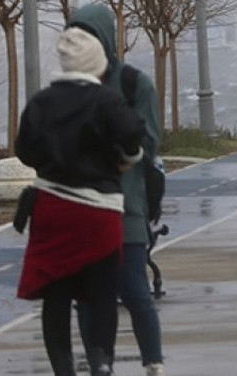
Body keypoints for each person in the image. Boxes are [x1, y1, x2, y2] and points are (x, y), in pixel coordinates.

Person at [16, 27, 146, 376]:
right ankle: (102, 362)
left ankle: (63, 367)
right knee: (102, 291)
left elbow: (24, 150)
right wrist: (127, 157)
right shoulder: (106, 99)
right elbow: (133, 133)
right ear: (97, 64)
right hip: (98, 211)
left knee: (55, 294)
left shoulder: (41, 101)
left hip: (52, 208)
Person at [70, 3, 168, 376]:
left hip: (125, 206)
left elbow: (151, 141)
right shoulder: (70, 87)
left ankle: (153, 362)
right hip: (81, 210)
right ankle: (99, 365)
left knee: (134, 290)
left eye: (89, 36)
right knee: (86, 299)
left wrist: (113, 148)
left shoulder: (133, 84)